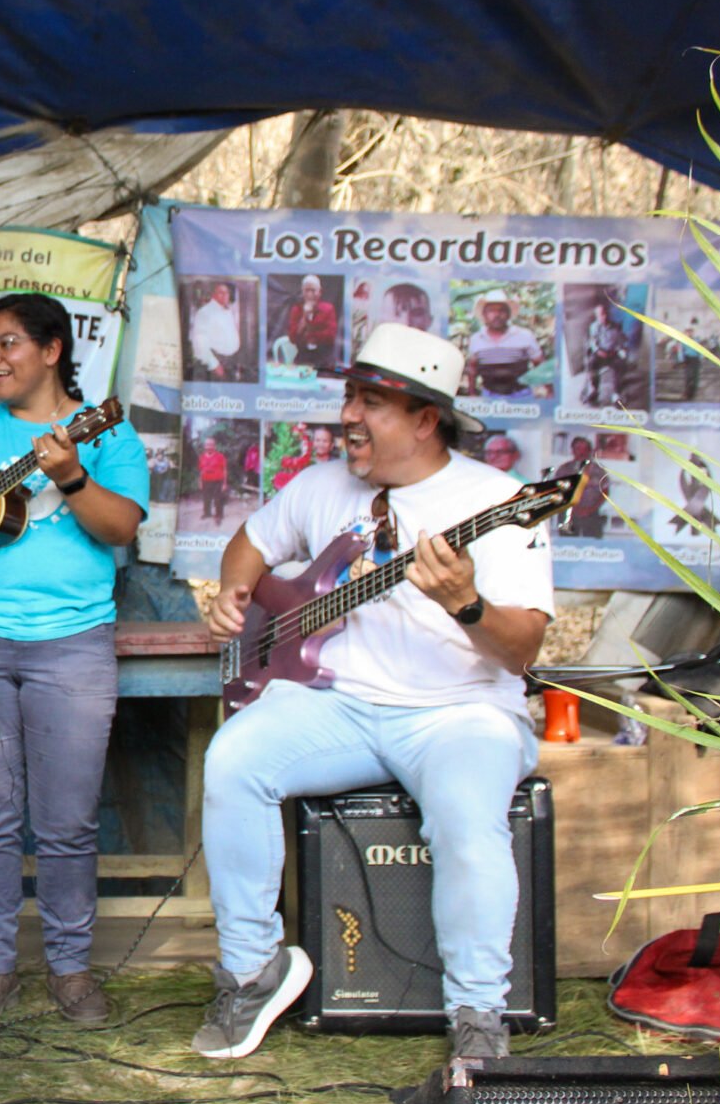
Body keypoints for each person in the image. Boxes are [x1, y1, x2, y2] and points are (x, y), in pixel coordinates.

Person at [195, 322, 554, 1062]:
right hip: (341, 704)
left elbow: (521, 650)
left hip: (462, 712)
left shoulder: (500, 500)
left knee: (465, 818)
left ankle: (478, 1013)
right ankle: (252, 969)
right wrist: (234, 589)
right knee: (233, 761)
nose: (349, 415)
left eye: (371, 403)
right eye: (350, 397)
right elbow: (252, 544)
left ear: (427, 419)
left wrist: (466, 603)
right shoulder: (322, 484)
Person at [0, 293, 147, 1026]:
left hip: (74, 641)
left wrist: (73, 478)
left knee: (67, 821)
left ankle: (71, 969)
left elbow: (121, 527)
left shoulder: (106, 433)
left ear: (53, 349)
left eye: (9, 342)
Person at [461, 290, 543, 397]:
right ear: (484, 315)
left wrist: (549, 391)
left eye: (501, 311)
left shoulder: (524, 335)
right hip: (489, 396)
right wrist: (471, 393)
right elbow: (473, 368)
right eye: (491, 311)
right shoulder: (476, 339)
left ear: (508, 314)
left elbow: (540, 364)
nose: (497, 315)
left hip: (521, 396)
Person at [555, 435, 612, 537]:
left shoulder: (599, 471)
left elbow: (605, 492)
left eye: (585, 449)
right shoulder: (564, 470)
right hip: (569, 513)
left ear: (590, 451)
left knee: (594, 545)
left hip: (592, 512)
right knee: (567, 544)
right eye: (578, 449)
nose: (582, 452)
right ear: (572, 451)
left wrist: (591, 509)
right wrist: (574, 508)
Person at [282, 275, 339, 369]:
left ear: (319, 292)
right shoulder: (296, 310)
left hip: (323, 357)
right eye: (306, 290)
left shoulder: (328, 309)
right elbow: (292, 338)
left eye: (313, 290)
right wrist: (304, 316)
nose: (309, 294)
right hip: (303, 356)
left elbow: (331, 336)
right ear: (302, 292)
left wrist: (309, 336)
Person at [188, 281, 241, 380]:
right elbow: (199, 341)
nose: (225, 295)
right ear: (213, 295)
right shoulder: (205, 312)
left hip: (231, 361)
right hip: (217, 362)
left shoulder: (227, 311)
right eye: (221, 292)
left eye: (227, 293)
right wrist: (214, 365)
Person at [197, 436, 228, 521]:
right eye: (207, 444)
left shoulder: (220, 456)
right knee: (206, 498)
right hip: (205, 481)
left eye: (211, 444)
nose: (209, 446)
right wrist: (200, 481)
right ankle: (207, 513)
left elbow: (224, 470)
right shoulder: (201, 457)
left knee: (218, 499)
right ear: (204, 446)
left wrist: (225, 483)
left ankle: (219, 514)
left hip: (218, 481)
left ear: (215, 446)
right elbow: (201, 470)